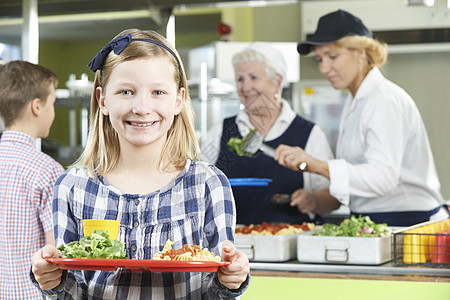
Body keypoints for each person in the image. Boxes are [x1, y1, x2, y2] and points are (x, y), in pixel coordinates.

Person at [30, 29, 250, 299]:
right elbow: (69, 292)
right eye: (125, 92)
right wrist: (52, 281)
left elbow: (216, 290)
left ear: (178, 100)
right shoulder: (72, 187)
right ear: (103, 100)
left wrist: (231, 280)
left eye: (158, 91)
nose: (142, 107)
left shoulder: (208, 184)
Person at [275, 9, 449, 226]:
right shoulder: (356, 101)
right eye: (320, 59)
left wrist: (317, 166)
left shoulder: (383, 100)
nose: (324, 68)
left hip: (407, 221)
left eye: (332, 56)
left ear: (361, 52)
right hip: (377, 221)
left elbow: (382, 178)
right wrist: (315, 197)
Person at [202, 42, 337, 225]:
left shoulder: (309, 133)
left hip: (291, 243)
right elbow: (199, 185)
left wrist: (313, 200)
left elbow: (334, 197)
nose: (245, 87)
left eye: (254, 77)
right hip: (231, 244)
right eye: (240, 79)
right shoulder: (220, 131)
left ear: (277, 82)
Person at [0, 60, 65, 299]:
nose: (53, 112)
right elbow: (55, 256)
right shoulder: (47, 171)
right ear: (37, 106)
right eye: (53, 103)